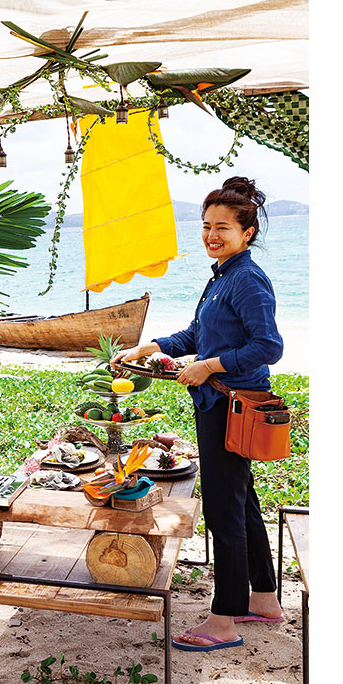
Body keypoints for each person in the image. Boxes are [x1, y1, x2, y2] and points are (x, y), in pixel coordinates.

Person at [113, 176, 285, 653]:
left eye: (223, 228)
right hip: (220, 404)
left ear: (247, 232)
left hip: (233, 407)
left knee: (225, 512)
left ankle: (224, 621)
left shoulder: (247, 279)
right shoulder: (224, 276)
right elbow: (197, 334)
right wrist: (154, 346)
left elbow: (268, 346)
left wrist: (208, 366)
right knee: (243, 501)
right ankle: (264, 598)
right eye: (207, 226)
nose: (212, 235)